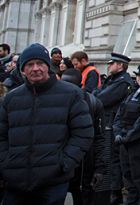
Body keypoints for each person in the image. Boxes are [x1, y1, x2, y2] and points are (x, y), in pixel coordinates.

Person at [0, 43, 94, 204]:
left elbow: (83, 133)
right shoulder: (11, 99)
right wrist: (5, 163)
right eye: (30, 64)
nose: (35, 68)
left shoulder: (71, 94)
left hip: (52, 183)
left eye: (40, 63)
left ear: (48, 66)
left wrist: (64, 164)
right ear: (23, 69)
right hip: (15, 182)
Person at [94, 52, 134, 204]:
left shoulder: (122, 82)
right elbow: (97, 93)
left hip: (112, 125)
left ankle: (114, 192)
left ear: (120, 66)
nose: (109, 65)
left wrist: (98, 94)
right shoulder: (112, 79)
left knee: (112, 160)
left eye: (112, 63)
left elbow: (101, 98)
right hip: (106, 122)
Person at [61, 69, 106, 205]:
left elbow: (99, 138)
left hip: (84, 167)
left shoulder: (93, 103)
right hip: (58, 165)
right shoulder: (54, 102)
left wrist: (100, 168)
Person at [114, 64, 140, 205]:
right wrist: (117, 132)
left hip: (137, 143)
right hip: (124, 140)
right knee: (127, 177)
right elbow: (119, 115)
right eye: (139, 76)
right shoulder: (132, 93)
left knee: (139, 177)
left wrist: (127, 137)